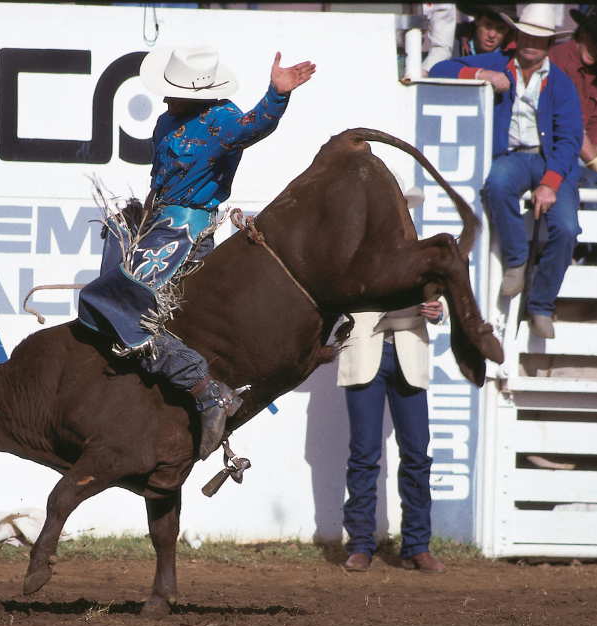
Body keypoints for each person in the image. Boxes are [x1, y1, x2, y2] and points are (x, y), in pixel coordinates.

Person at [77, 46, 316, 457]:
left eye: (173, 89)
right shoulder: (168, 121)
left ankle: (206, 390)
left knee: (115, 304)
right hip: (161, 224)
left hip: (187, 231)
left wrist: (277, 94)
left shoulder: (222, 119)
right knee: (109, 286)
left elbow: (253, 126)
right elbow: (160, 180)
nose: (166, 97)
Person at [429, 4, 584, 339]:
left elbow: (570, 139)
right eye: (526, 34)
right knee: (497, 184)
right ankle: (516, 260)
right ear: (517, 34)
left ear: (549, 44)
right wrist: (481, 76)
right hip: (512, 156)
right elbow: (439, 68)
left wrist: (550, 183)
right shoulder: (497, 62)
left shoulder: (561, 82)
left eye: (539, 38)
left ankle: (541, 305)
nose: (531, 42)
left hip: (550, 161)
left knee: (568, 228)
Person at [337, 298, 447, 574]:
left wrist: (439, 310)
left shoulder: (418, 252)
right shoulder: (355, 252)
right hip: (363, 348)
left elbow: (440, 291)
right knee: (364, 454)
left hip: (410, 350)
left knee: (417, 455)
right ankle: (360, 545)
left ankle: (417, 545)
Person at [550, 6, 597, 189]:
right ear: (583, 33)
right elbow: (562, 121)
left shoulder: (595, 73)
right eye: (596, 41)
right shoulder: (556, 61)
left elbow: (596, 117)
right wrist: (592, 155)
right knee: (594, 181)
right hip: (558, 147)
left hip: (581, 150)